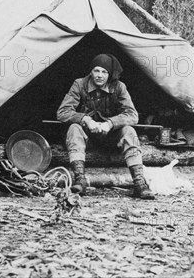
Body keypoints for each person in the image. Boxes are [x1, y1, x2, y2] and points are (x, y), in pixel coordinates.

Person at [56, 54, 155, 199]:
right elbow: (63, 112)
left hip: (111, 137)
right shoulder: (79, 84)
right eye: (96, 71)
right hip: (87, 137)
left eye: (104, 72)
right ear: (91, 72)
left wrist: (110, 124)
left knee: (129, 131)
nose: (99, 76)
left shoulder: (119, 87)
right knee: (73, 129)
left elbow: (132, 115)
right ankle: (80, 180)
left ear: (110, 74)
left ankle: (139, 183)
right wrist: (86, 120)